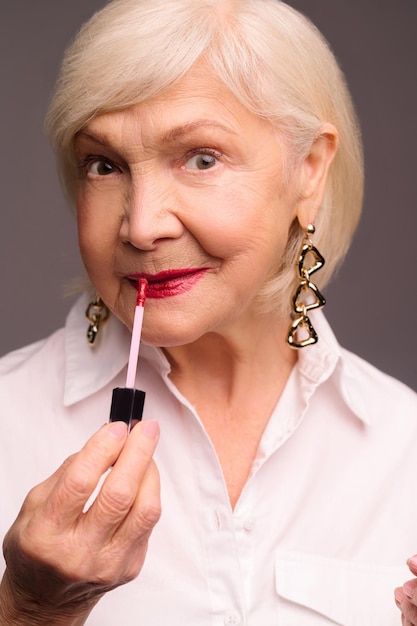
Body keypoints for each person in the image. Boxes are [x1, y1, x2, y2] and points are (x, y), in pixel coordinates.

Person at [0, 0, 416, 623]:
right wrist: (29, 610)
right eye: (104, 164)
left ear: (309, 169)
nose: (141, 227)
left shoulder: (403, 449)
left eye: (201, 157)